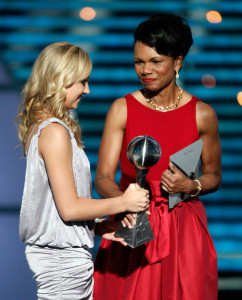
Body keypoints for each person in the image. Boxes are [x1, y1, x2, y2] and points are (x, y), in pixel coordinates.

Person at [93, 13, 222, 300]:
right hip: (134, 224)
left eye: (155, 61)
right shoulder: (121, 108)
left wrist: (192, 186)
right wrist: (125, 205)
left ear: (177, 62)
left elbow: (214, 174)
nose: (145, 70)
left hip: (183, 228)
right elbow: (102, 177)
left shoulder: (202, 114)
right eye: (139, 61)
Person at [16, 41, 150, 300]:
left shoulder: (47, 127)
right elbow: (70, 208)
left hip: (64, 261)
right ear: (61, 80)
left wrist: (96, 226)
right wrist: (124, 201)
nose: (87, 90)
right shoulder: (53, 131)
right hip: (61, 263)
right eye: (82, 81)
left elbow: (55, 208)